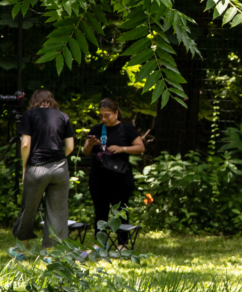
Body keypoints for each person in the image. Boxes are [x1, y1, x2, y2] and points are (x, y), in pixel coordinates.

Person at [12, 90, 74, 246]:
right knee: (58, 212)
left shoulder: (29, 115)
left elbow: (25, 144)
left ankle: (21, 246)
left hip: (37, 167)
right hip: (60, 168)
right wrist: (58, 158)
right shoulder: (63, 116)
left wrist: (25, 166)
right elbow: (70, 147)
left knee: (29, 208)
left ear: (34, 101)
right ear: (52, 101)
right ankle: (51, 252)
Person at [82, 98, 145, 245]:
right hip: (98, 178)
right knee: (100, 212)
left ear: (116, 113)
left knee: (121, 212)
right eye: (101, 115)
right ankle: (100, 243)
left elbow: (140, 148)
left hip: (120, 178)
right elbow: (85, 152)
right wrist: (90, 145)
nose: (104, 119)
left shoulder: (126, 129)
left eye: (107, 115)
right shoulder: (97, 129)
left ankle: (122, 244)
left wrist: (122, 148)